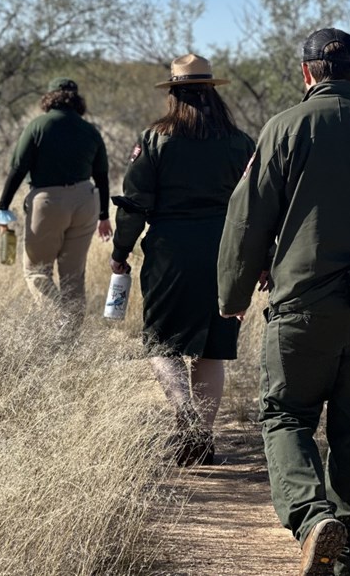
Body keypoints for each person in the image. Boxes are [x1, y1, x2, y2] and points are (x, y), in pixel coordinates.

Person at [218, 28, 350, 576]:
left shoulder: (285, 127)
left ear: (307, 72)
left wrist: (233, 294)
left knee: (286, 413)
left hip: (303, 306)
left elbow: (248, 219)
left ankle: (312, 518)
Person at [109, 54, 255, 465]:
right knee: (212, 348)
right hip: (225, 252)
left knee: (161, 342)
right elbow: (255, 205)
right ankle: (202, 438)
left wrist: (121, 252)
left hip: (170, 252)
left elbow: (134, 204)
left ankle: (188, 420)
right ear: (212, 92)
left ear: (173, 94)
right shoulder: (240, 142)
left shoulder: (154, 140)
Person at [0, 77, 112, 332]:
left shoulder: (38, 125)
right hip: (86, 202)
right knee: (73, 276)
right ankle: (70, 336)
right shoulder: (90, 130)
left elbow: (18, 168)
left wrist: (3, 206)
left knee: (37, 271)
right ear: (77, 99)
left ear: (50, 97)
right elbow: (102, 176)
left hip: (48, 202)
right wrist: (104, 215)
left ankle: (58, 323)